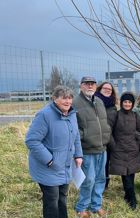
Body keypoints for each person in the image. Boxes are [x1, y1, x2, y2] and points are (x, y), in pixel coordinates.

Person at [25, 85, 83, 218]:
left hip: (65, 166)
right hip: (48, 168)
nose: (68, 101)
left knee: (62, 198)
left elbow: (76, 136)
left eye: (70, 98)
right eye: (64, 98)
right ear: (54, 99)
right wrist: (50, 160)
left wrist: (78, 154)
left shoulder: (72, 114)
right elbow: (32, 140)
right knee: (52, 201)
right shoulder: (45, 115)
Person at [74, 76, 111, 218]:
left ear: (96, 87)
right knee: (88, 179)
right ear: (81, 86)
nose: (90, 86)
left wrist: (106, 133)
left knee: (101, 178)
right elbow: (73, 125)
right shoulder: (75, 102)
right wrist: (84, 136)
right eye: (87, 84)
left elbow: (103, 122)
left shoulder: (99, 101)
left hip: (102, 148)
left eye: (92, 84)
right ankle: (82, 207)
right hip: (87, 149)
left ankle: (96, 206)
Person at [109, 92, 140, 210]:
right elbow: (109, 132)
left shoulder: (135, 116)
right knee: (125, 176)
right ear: (121, 103)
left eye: (129, 102)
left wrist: (139, 145)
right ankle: (132, 200)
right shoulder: (116, 115)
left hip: (132, 151)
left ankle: (127, 196)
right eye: (125, 102)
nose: (127, 104)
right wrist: (114, 146)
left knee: (131, 175)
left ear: (132, 104)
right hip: (119, 151)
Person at [95, 82, 118, 189]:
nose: (107, 90)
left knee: (105, 163)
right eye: (105, 88)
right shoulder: (93, 101)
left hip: (108, 140)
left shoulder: (113, 107)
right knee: (94, 164)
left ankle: (104, 185)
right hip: (94, 139)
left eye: (110, 89)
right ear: (100, 89)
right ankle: (92, 185)